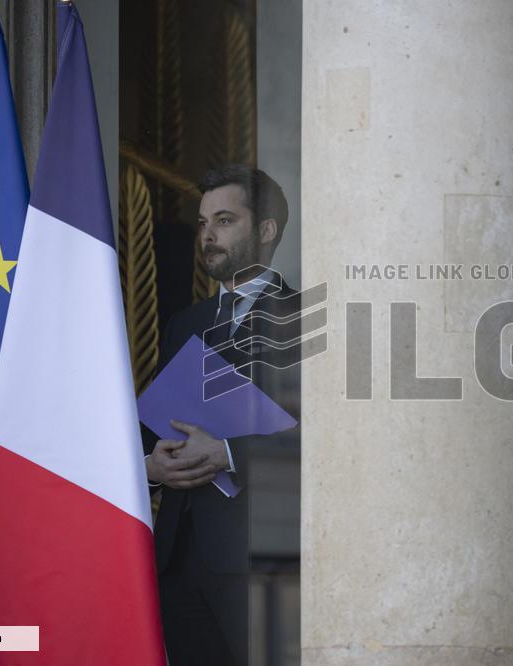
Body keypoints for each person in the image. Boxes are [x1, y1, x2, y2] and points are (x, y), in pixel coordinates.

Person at [142, 165, 301, 665]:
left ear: (267, 230)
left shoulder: (307, 319)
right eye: (204, 221)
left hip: (258, 560)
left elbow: (328, 442)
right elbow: (152, 429)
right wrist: (149, 468)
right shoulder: (183, 324)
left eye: (226, 220)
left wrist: (228, 452)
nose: (208, 234)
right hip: (176, 560)